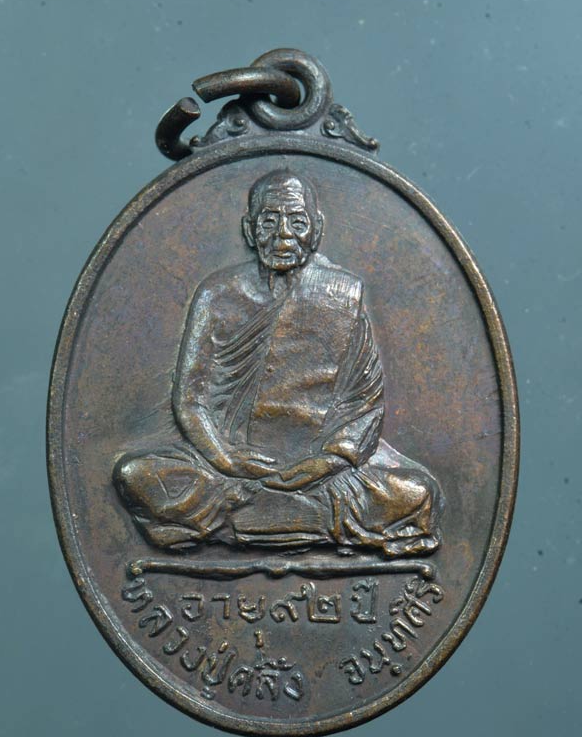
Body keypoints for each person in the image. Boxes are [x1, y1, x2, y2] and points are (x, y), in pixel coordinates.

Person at [114, 169, 443, 557]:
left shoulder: (342, 293)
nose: (284, 235)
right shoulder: (217, 295)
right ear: (249, 230)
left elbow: (365, 403)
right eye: (269, 222)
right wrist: (225, 458)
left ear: (316, 230)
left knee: (418, 493)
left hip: (322, 473)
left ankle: (243, 523)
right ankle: (305, 522)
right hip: (228, 470)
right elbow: (191, 400)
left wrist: (327, 462)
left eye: (297, 222)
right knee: (134, 476)